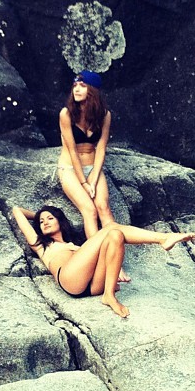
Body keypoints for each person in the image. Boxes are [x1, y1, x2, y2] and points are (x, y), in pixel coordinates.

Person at [12, 205, 195, 318]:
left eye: (50, 218)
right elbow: (17, 210)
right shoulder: (41, 245)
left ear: (60, 221)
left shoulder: (77, 245)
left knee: (115, 235)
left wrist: (114, 272)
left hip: (93, 286)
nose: (44, 222)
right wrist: (39, 215)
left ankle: (108, 295)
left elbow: (106, 253)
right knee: (111, 227)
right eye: (41, 221)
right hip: (70, 280)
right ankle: (163, 238)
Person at [57, 70, 130, 281]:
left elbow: (101, 148)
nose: (77, 89)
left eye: (82, 85)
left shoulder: (104, 115)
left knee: (104, 208)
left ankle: (117, 264)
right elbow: (72, 151)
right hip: (70, 169)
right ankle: (102, 262)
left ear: (93, 90)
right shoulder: (66, 114)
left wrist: (94, 177)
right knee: (89, 210)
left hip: (93, 167)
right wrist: (84, 182)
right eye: (75, 85)